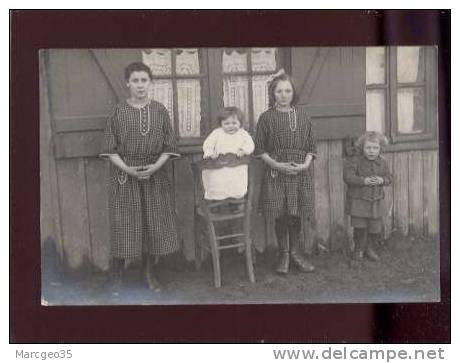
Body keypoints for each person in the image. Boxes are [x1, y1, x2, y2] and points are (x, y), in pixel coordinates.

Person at [100, 62, 180, 291]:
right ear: (128, 83)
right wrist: (128, 169)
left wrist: (155, 167)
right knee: (125, 224)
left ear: (150, 82)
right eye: (135, 80)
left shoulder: (159, 110)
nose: (140, 85)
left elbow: (169, 145)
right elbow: (109, 149)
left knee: (151, 225)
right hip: (125, 177)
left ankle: (149, 273)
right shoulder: (118, 111)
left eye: (144, 80)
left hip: (155, 177)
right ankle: (116, 276)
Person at [254, 70, 317, 274]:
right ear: (273, 93)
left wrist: (305, 165)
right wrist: (277, 165)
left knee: (295, 212)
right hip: (276, 172)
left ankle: (296, 254)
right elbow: (260, 149)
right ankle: (283, 255)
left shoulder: (303, 115)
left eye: (287, 91)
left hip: (299, 172)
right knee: (280, 214)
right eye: (279, 91)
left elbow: (311, 147)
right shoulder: (266, 118)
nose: (283, 95)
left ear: (293, 93)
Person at [343, 131, 392, 261]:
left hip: (375, 201)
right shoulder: (355, 161)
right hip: (359, 200)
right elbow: (348, 177)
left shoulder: (383, 162)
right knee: (359, 226)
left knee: (375, 228)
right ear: (362, 148)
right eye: (368, 148)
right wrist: (363, 181)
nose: (372, 151)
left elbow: (389, 177)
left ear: (380, 148)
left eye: (375, 148)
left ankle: (369, 248)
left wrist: (382, 180)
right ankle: (358, 249)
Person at [202, 107, 255, 203]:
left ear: (240, 123)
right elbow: (208, 144)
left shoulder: (243, 134)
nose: (230, 126)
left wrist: (244, 150)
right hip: (219, 165)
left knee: (236, 184)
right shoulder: (217, 133)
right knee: (218, 182)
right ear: (221, 124)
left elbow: (250, 144)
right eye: (226, 123)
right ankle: (218, 201)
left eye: (234, 123)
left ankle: (236, 202)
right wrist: (210, 153)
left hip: (237, 166)